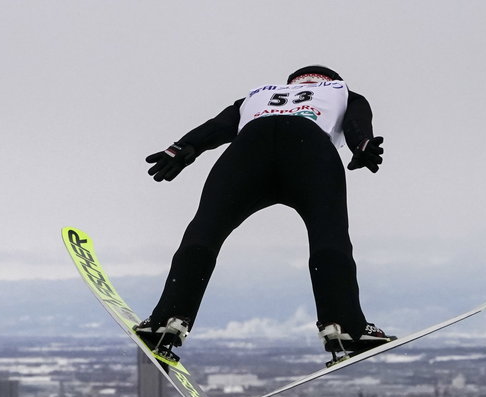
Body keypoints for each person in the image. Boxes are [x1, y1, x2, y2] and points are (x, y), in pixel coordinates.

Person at [137, 65, 394, 363]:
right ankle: (346, 326)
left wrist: (182, 147)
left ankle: (166, 320)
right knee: (329, 236)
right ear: (332, 80)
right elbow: (356, 123)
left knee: (205, 230)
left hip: (249, 148)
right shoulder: (342, 91)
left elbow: (217, 126)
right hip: (308, 148)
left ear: (290, 83)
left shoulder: (258, 95)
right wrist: (361, 145)